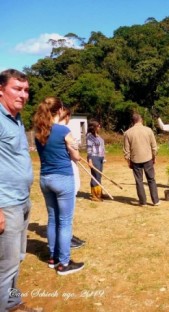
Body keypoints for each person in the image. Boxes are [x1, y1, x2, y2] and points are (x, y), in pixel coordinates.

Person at [0, 70, 40, 312]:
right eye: (17, 89)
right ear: (1, 89)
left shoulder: (16, 119)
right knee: (6, 264)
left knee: (18, 258)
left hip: (23, 200)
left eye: (26, 90)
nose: (23, 95)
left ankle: (13, 302)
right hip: (6, 203)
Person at [34, 96, 84, 276]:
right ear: (60, 110)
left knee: (52, 219)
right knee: (64, 222)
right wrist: (74, 149)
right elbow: (76, 157)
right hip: (63, 178)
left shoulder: (38, 131)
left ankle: (53, 258)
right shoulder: (64, 130)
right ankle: (63, 263)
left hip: (45, 178)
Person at [58, 107, 86, 250]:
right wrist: (77, 153)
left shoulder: (47, 130)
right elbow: (74, 154)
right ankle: (66, 238)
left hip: (53, 174)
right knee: (67, 210)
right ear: (67, 116)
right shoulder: (64, 131)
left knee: (60, 211)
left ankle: (68, 235)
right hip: (67, 171)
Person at [123, 113, 160, 206]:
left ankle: (143, 202)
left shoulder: (127, 133)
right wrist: (154, 157)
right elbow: (154, 146)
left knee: (139, 181)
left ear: (133, 121)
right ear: (141, 120)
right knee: (151, 179)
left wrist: (128, 161)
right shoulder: (148, 130)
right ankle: (155, 201)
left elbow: (126, 151)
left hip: (135, 160)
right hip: (148, 159)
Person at [86, 120, 105, 201]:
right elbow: (89, 149)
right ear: (93, 127)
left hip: (100, 157)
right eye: (98, 126)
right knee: (95, 176)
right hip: (94, 157)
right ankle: (94, 195)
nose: (99, 127)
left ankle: (99, 192)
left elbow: (102, 147)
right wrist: (90, 161)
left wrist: (104, 157)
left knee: (99, 175)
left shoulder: (98, 136)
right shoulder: (90, 137)